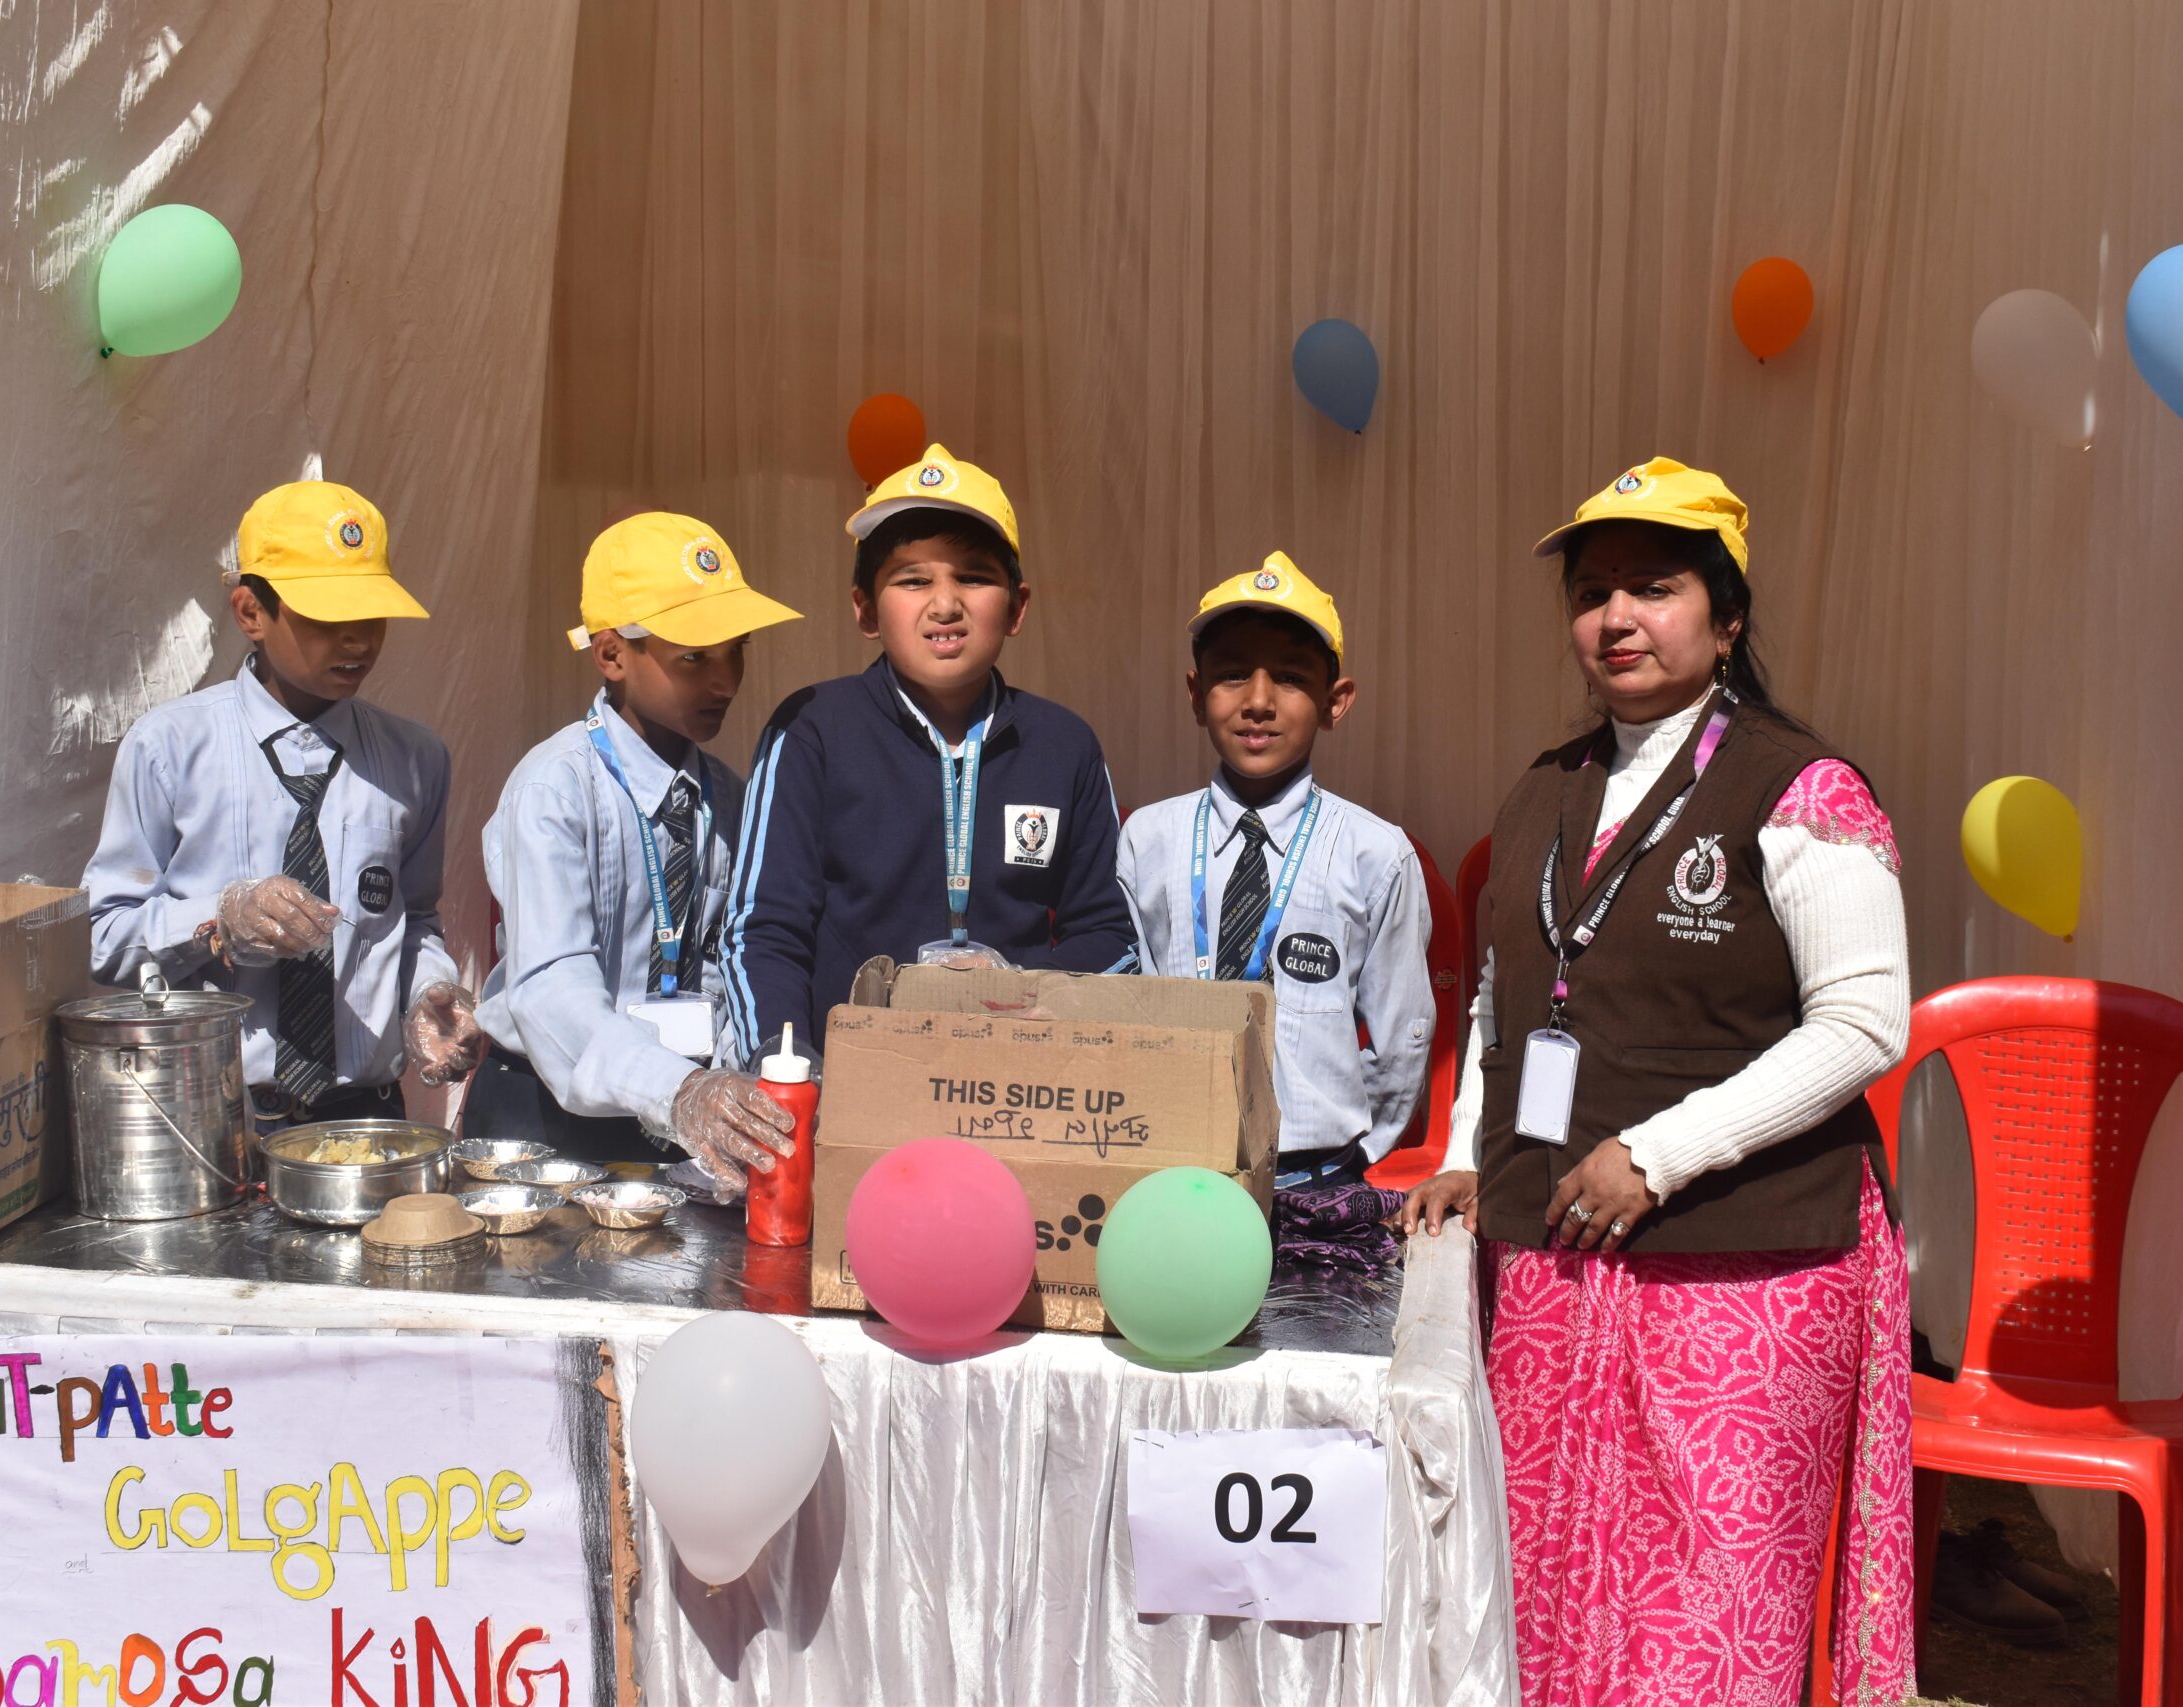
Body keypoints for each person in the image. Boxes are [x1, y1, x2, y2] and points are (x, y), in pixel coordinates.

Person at [1400, 457, 1917, 1704]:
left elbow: (1863, 1025)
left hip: (1743, 1264)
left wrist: (1660, 1152)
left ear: (1726, 618)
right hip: (1555, 1253)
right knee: (1540, 1573)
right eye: (1592, 593)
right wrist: (1466, 1151)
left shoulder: (1801, 787)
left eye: (1654, 587)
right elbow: (1501, 1000)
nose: (1616, 617)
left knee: (1710, 1597)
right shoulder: (1545, 786)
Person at [722, 446, 1137, 1064]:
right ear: (865, 610)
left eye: (973, 577)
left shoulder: (1064, 744)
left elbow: (1109, 935)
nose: (945, 605)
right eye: (913, 580)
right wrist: (785, 1066)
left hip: (1014, 1083)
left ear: (1017, 607)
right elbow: (764, 930)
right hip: (847, 1083)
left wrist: (1025, 992)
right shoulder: (811, 729)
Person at [86, 480, 478, 1133]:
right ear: (250, 612)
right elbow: (106, 937)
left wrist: (428, 993)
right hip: (212, 1119)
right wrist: (217, 919)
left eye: (372, 616)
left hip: (364, 1122)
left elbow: (412, 919)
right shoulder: (169, 749)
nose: (357, 641)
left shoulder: (415, 759)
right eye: (326, 619)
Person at [466, 513, 805, 1181]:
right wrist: (676, 1090)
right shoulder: (555, 788)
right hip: (548, 1115)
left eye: (736, 650)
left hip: (681, 1116)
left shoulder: (729, 797)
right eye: (695, 658)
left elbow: (728, 962)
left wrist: (724, 1084)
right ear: (612, 655)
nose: (726, 680)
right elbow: (551, 988)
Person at [1116, 553, 1434, 1199]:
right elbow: (1128, 1000)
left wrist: (1350, 1154)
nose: (1258, 701)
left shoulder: (1377, 853)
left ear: (1335, 702)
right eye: (1232, 674)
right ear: (1195, 696)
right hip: (1172, 1168)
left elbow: (1403, 1033)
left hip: (1317, 1177)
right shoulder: (1148, 838)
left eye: (1289, 678)